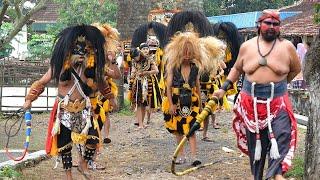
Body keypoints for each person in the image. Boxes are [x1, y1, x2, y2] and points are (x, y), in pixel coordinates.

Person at [213, 10, 301, 180]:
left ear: (279, 27)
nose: (272, 27)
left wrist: (279, 86)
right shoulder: (247, 46)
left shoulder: (287, 47)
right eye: (268, 23)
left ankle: (276, 175)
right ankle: (258, 176)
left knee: (281, 136)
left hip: (278, 103)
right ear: (259, 25)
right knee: (256, 147)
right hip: (250, 102)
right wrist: (223, 88)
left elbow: (295, 69)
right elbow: (237, 69)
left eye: (275, 24)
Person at [23, 25, 115, 180]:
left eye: (85, 48)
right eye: (77, 48)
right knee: (64, 146)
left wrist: (111, 98)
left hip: (84, 111)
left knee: (93, 139)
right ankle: (68, 176)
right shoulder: (58, 67)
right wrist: (29, 99)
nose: (81, 52)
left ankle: (83, 164)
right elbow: (42, 82)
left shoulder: (90, 69)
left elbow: (102, 84)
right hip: (64, 111)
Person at [162, 31, 224, 166]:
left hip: (192, 101)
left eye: (190, 52)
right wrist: (171, 104)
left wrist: (201, 106)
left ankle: (194, 156)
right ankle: (181, 155)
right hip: (175, 99)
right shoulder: (173, 65)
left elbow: (197, 85)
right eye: (184, 52)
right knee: (178, 129)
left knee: (192, 129)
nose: (187, 55)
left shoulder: (195, 67)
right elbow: (168, 86)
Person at [127, 43, 160, 129]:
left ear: (139, 54)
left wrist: (146, 73)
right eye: (134, 58)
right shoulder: (134, 61)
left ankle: (143, 122)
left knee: (144, 103)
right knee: (138, 103)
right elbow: (133, 71)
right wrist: (133, 75)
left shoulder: (149, 59)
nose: (135, 59)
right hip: (137, 83)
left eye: (136, 57)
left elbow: (156, 71)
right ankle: (140, 124)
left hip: (146, 83)